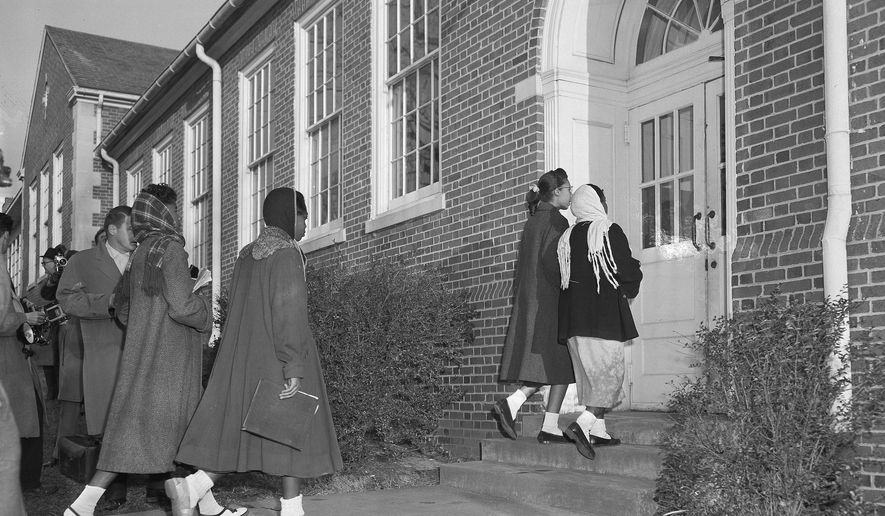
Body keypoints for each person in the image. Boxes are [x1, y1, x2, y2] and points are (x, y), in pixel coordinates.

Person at [171, 188, 343, 516]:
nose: (306, 222)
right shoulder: (288, 253)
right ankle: (292, 510)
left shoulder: (247, 254)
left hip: (248, 359)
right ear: (288, 216)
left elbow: (238, 310)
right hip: (281, 358)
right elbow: (288, 312)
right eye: (303, 214)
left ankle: (193, 486)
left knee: (245, 432)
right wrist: (293, 364)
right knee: (293, 430)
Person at [64, 184, 220, 516]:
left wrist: (146, 325)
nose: (177, 216)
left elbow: (122, 310)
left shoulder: (139, 252)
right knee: (185, 433)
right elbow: (180, 305)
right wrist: (203, 304)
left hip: (142, 357)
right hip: (172, 361)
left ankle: (83, 505)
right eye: (174, 210)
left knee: (132, 435)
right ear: (164, 211)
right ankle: (82, 506)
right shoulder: (171, 250)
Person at [557, 184, 642, 460]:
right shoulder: (606, 230)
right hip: (601, 321)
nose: (605, 204)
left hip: (573, 324)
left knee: (592, 381)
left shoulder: (566, 238)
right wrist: (633, 280)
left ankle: (599, 431)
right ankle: (581, 425)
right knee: (610, 378)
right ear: (596, 202)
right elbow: (626, 270)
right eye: (602, 199)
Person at [57, 206, 134, 508]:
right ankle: (111, 495)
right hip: (104, 354)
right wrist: (109, 303)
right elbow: (66, 299)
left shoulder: (145, 260)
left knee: (146, 420)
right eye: (131, 228)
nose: (136, 234)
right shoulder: (83, 262)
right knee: (108, 424)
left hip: (143, 352)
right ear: (112, 230)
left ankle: (159, 486)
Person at [493, 168, 576, 445]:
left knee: (554, 364)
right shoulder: (556, 222)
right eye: (568, 189)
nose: (571, 194)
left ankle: (535, 416)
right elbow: (555, 264)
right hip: (550, 302)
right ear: (556, 192)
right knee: (561, 362)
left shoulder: (533, 221)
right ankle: (523, 408)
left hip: (533, 300)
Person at [0, 212, 49, 492]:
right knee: (28, 420)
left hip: (13, 356)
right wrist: (25, 320)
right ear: (5, 237)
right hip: (8, 358)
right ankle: (26, 482)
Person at [43, 249, 85, 465]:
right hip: (73, 340)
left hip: (95, 341)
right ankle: (60, 453)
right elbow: (47, 294)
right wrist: (57, 275)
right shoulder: (63, 279)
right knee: (69, 399)